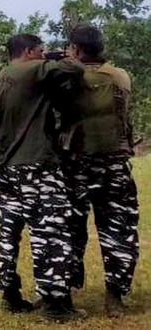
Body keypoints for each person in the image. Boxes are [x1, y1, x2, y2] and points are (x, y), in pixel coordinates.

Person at [0, 33, 84, 320]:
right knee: (50, 232)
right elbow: (75, 68)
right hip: (38, 166)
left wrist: (6, 151)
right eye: (40, 50)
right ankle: (55, 304)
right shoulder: (33, 69)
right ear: (28, 52)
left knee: (8, 232)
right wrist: (56, 56)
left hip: (7, 168)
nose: (42, 54)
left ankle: (10, 293)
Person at [62, 24, 139, 316]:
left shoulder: (67, 78)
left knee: (68, 229)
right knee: (119, 231)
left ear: (77, 50)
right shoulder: (120, 76)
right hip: (114, 163)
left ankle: (65, 289)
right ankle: (115, 296)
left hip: (76, 163)